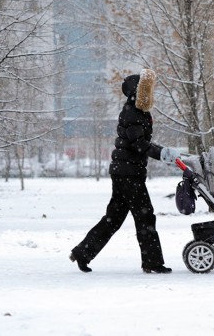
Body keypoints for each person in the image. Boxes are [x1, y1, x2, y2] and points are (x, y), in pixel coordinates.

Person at [69, 69, 181, 273]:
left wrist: (162, 152)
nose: (149, 95)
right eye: (145, 91)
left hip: (126, 172)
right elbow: (139, 144)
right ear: (136, 93)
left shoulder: (137, 112)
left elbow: (141, 143)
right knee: (145, 216)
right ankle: (152, 262)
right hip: (128, 174)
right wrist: (162, 153)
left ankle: (82, 253)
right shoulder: (132, 112)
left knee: (113, 218)